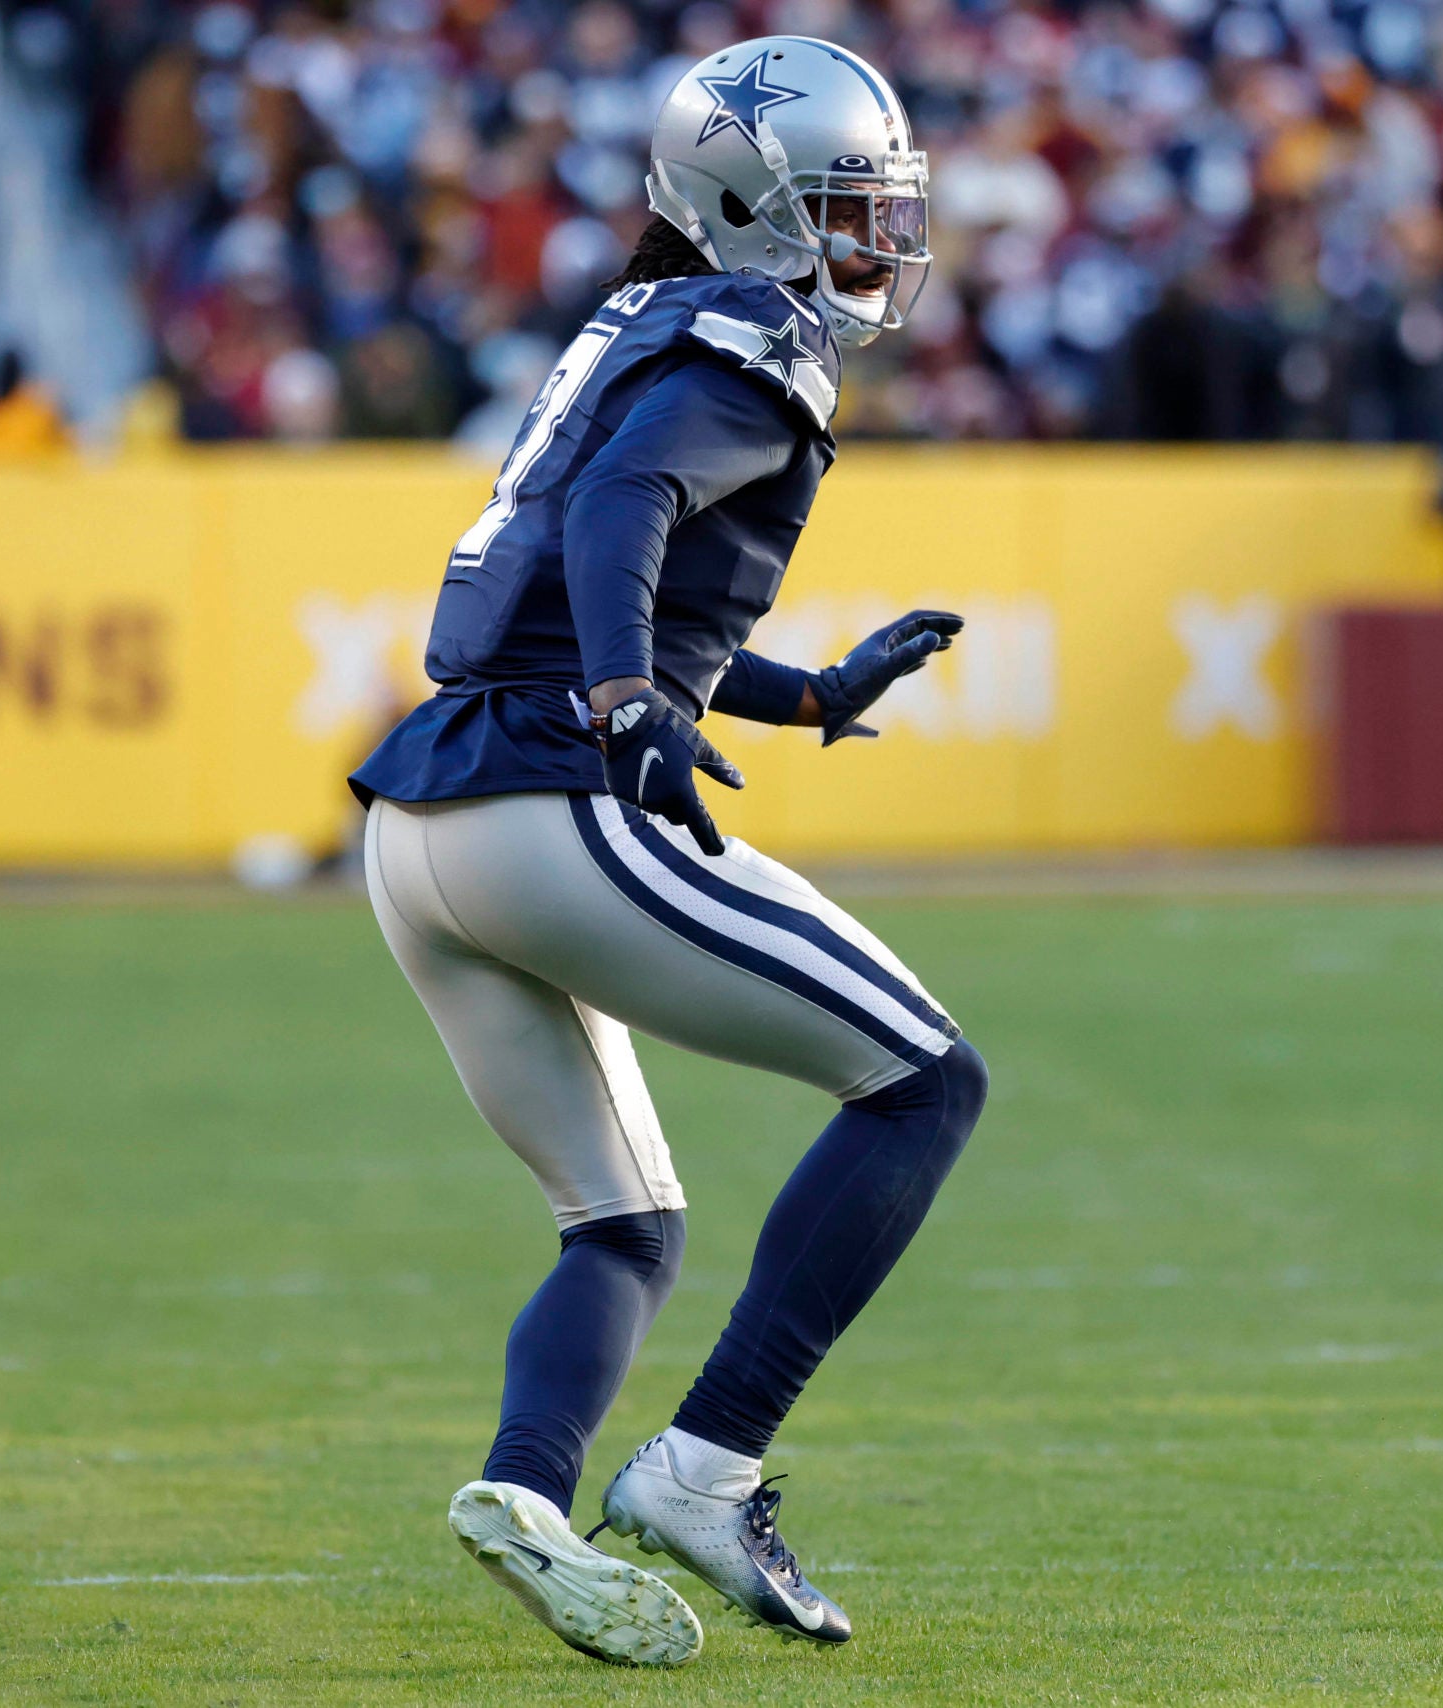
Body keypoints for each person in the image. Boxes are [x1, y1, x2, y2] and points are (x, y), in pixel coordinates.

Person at [347, 37, 987, 1667]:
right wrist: (636, 699)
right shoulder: (745, 334)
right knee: (925, 1080)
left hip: (427, 829)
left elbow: (587, 570)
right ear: (748, 205)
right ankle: (708, 1465)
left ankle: (528, 1492)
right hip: (551, 796)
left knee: (622, 1223)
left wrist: (799, 691)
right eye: (846, 207)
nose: (877, 243)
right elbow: (624, 507)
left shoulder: (650, 322)